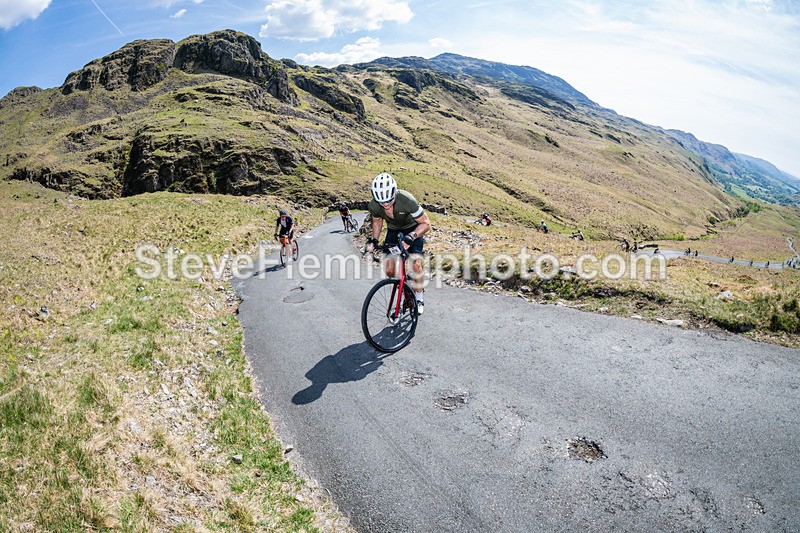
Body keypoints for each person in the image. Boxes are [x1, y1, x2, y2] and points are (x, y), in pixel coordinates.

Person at [365, 173, 431, 314]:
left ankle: (419, 297)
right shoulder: (374, 205)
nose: (386, 204)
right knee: (389, 270)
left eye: (389, 200)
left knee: (415, 265)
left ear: (394, 193)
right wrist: (375, 240)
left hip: (413, 229)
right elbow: (377, 221)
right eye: (382, 202)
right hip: (394, 231)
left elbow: (426, 224)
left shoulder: (407, 200)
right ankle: (405, 287)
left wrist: (412, 236)